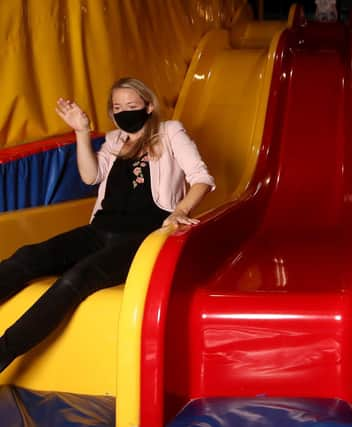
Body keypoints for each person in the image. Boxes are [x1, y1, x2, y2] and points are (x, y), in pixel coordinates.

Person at [0, 77, 214, 372]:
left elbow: (202, 178)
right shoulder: (115, 140)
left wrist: (180, 211)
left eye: (131, 105)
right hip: (99, 230)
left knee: (77, 278)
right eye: (117, 107)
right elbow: (90, 176)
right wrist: (82, 132)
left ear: (148, 106)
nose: (124, 111)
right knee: (27, 256)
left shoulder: (169, 132)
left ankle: (3, 352)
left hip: (142, 237)